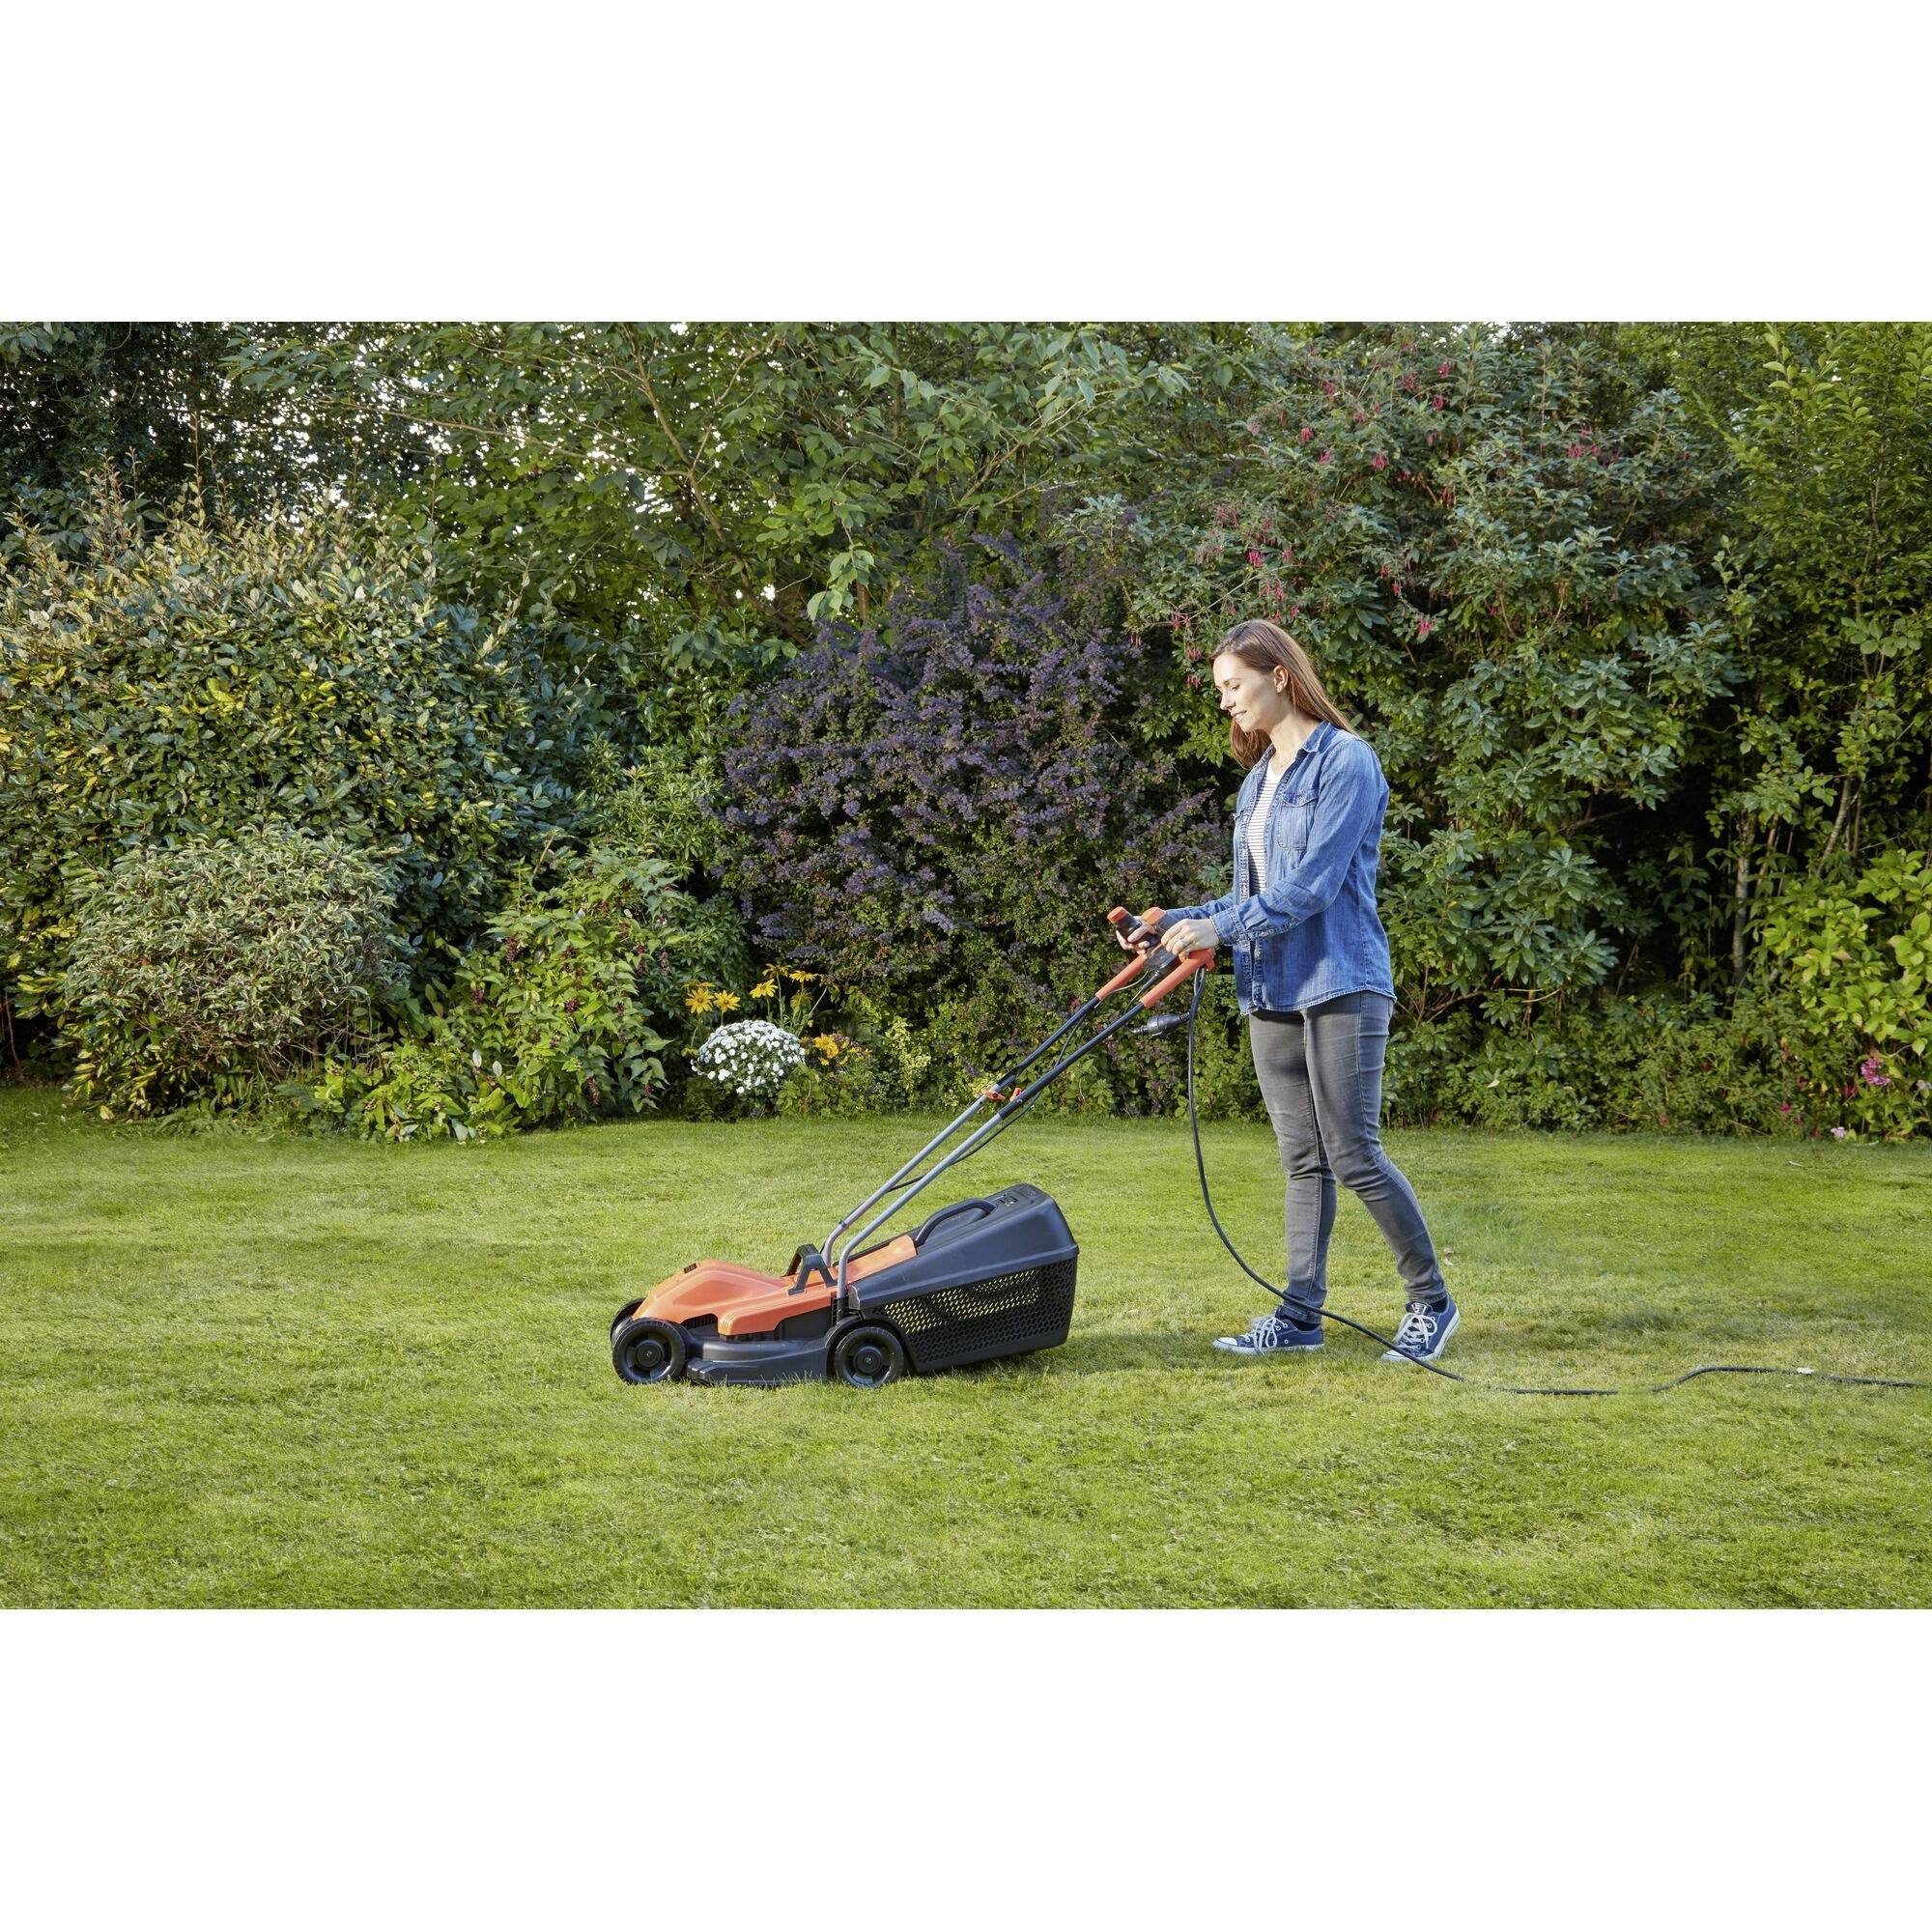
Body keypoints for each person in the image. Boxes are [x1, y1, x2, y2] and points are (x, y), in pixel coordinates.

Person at [1130, 617, 1457, 1363]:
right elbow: (1248, 893)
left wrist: (1219, 930)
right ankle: (1300, 1315)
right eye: (1220, 691)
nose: (1225, 703)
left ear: (1279, 677)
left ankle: (1431, 1302)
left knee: (1354, 1152)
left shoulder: (1347, 762)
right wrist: (1171, 922)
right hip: (1271, 982)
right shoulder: (1258, 783)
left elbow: (1311, 888)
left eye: (1233, 686)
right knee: (1301, 1158)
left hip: (1340, 979)